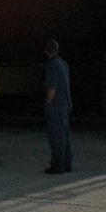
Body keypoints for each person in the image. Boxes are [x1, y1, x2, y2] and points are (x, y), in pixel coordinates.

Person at [43, 39, 72, 174]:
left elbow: (52, 87)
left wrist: (47, 101)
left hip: (56, 106)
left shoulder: (52, 65)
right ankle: (67, 163)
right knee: (65, 135)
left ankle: (57, 164)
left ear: (45, 50)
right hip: (64, 104)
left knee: (56, 136)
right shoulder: (63, 63)